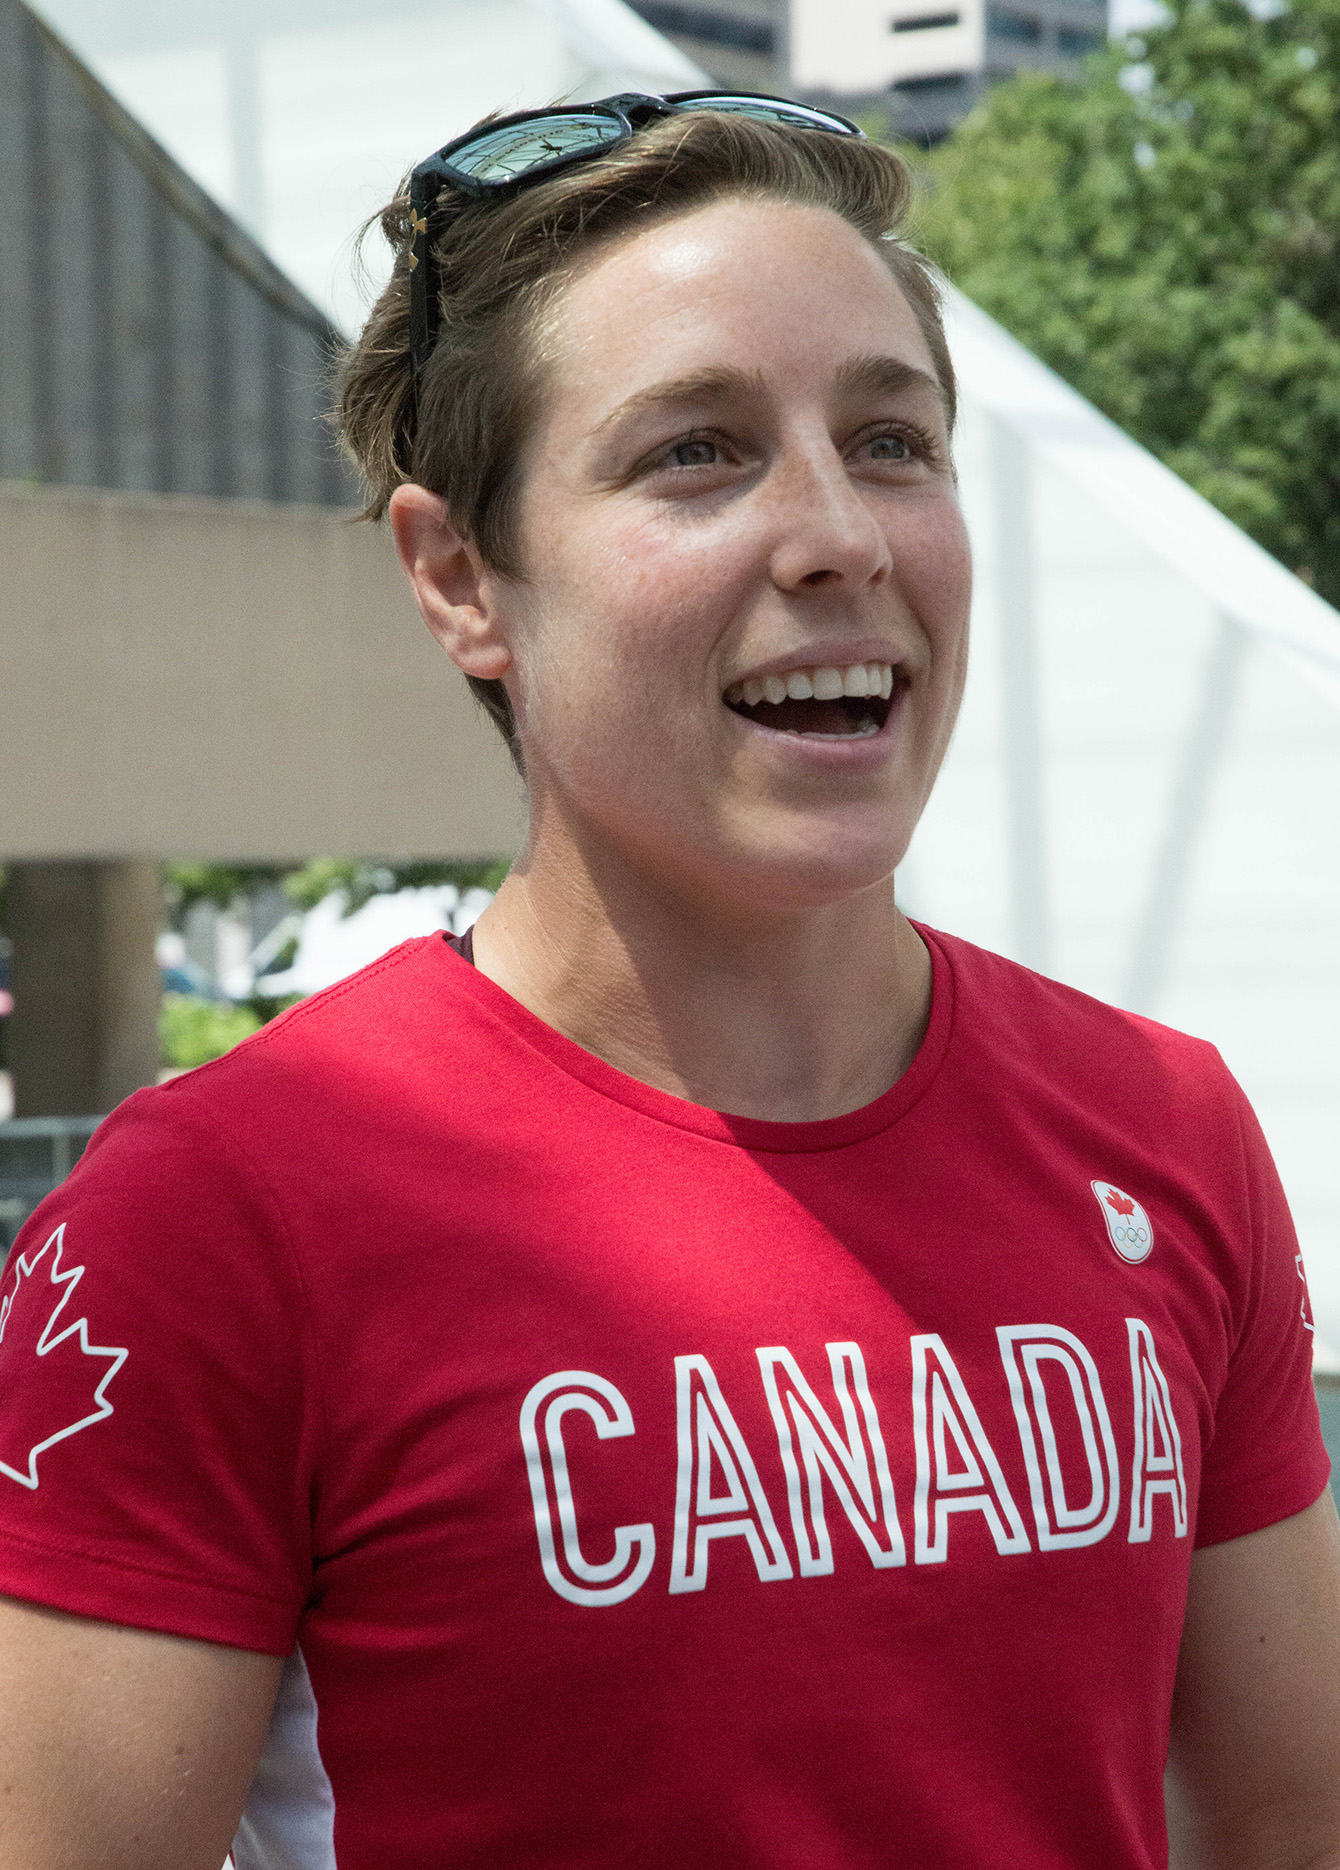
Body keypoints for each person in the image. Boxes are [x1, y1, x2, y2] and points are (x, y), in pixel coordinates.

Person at [0, 90, 1336, 1870]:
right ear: (462, 575)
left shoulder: (1163, 1124)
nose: (839, 535)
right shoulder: (212, 1219)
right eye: (697, 452)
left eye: (892, 440)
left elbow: (1282, 1819)